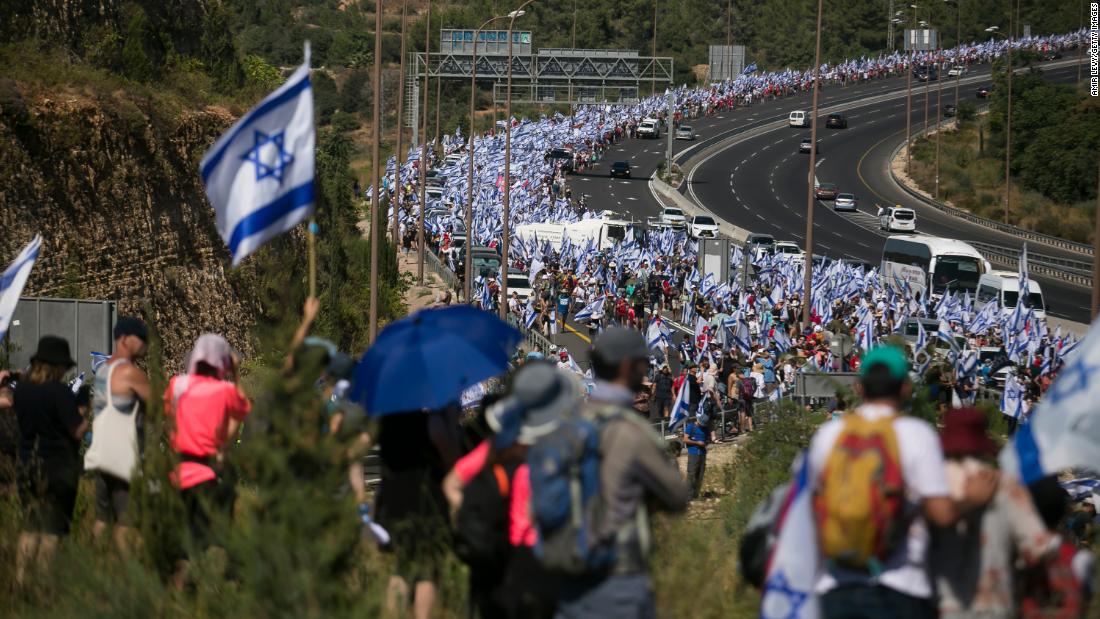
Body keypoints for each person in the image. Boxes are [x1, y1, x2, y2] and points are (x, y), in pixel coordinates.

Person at [809, 345, 999, 619]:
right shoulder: (916, 434)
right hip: (900, 586)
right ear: (905, 389)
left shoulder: (830, 434)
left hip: (835, 584)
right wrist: (974, 498)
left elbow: (812, 506)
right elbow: (941, 514)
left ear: (859, 388)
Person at [556, 328, 690, 618]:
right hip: (618, 577)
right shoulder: (633, 431)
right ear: (630, 366)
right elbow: (677, 496)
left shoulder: (565, 425)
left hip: (565, 574)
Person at [930, 407, 1057, 619]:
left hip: (939, 604)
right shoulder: (1005, 486)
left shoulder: (931, 485)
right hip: (994, 605)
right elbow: (1039, 549)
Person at [165, 333, 251, 587]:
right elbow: (244, 408)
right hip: (208, 474)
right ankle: (211, 594)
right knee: (211, 540)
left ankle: (175, 595)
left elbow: (168, 421)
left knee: (181, 542)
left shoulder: (177, 385)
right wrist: (235, 375)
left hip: (178, 473)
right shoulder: (224, 390)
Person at [376, 403, 461, 619]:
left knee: (400, 567)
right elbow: (450, 455)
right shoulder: (431, 420)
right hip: (425, 497)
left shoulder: (387, 419)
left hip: (393, 496)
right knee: (428, 568)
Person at [14, 336, 87, 585]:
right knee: (52, 531)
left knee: (30, 526)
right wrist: (84, 413)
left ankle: (21, 580)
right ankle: (44, 585)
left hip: (27, 464)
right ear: (58, 365)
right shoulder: (59, 392)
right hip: (57, 468)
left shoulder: (22, 389)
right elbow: (77, 430)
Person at [84, 316, 151, 555]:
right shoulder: (130, 373)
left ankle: (94, 563)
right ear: (124, 339)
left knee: (103, 518)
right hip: (125, 458)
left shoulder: (102, 370)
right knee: (128, 522)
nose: (146, 343)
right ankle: (125, 574)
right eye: (141, 338)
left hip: (103, 454)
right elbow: (159, 407)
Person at [683, 414, 708, 500]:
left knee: (700, 474)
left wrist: (706, 443)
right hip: (693, 453)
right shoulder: (691, 427)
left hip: (702, 453)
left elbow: (706, 439)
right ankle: (688, 496)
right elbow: (685, 439)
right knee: (691, 474)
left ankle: (695, 495)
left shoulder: (705, 428)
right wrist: (697, 443)